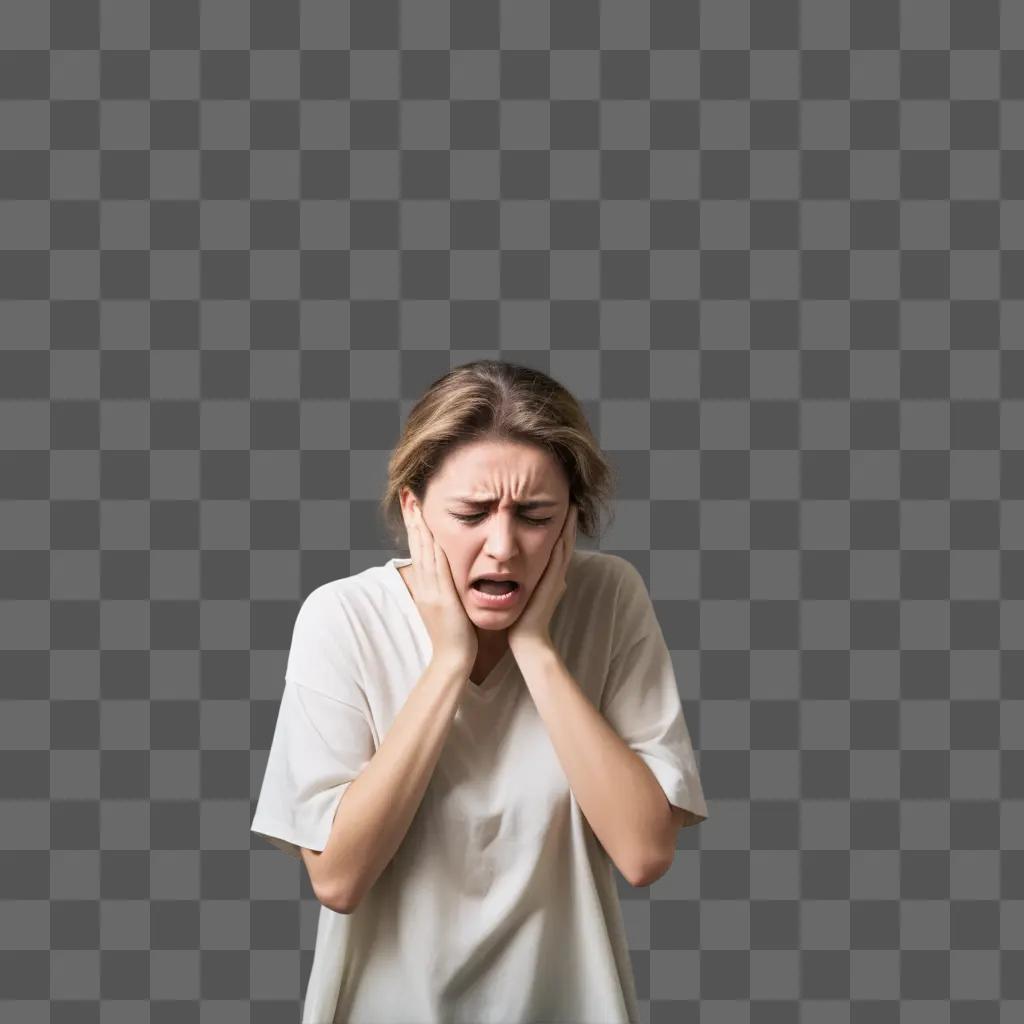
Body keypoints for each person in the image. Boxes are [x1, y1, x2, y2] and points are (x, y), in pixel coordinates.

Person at [250, 359, 709, 1023]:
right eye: (471, 513)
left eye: (534, 515)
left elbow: (643, 853)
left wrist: (537, 649)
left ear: (570, 521)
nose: (502, 546)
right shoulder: (343, 617)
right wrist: (448, 664)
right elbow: (339, 879)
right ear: (414, 509)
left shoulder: (610, 598)